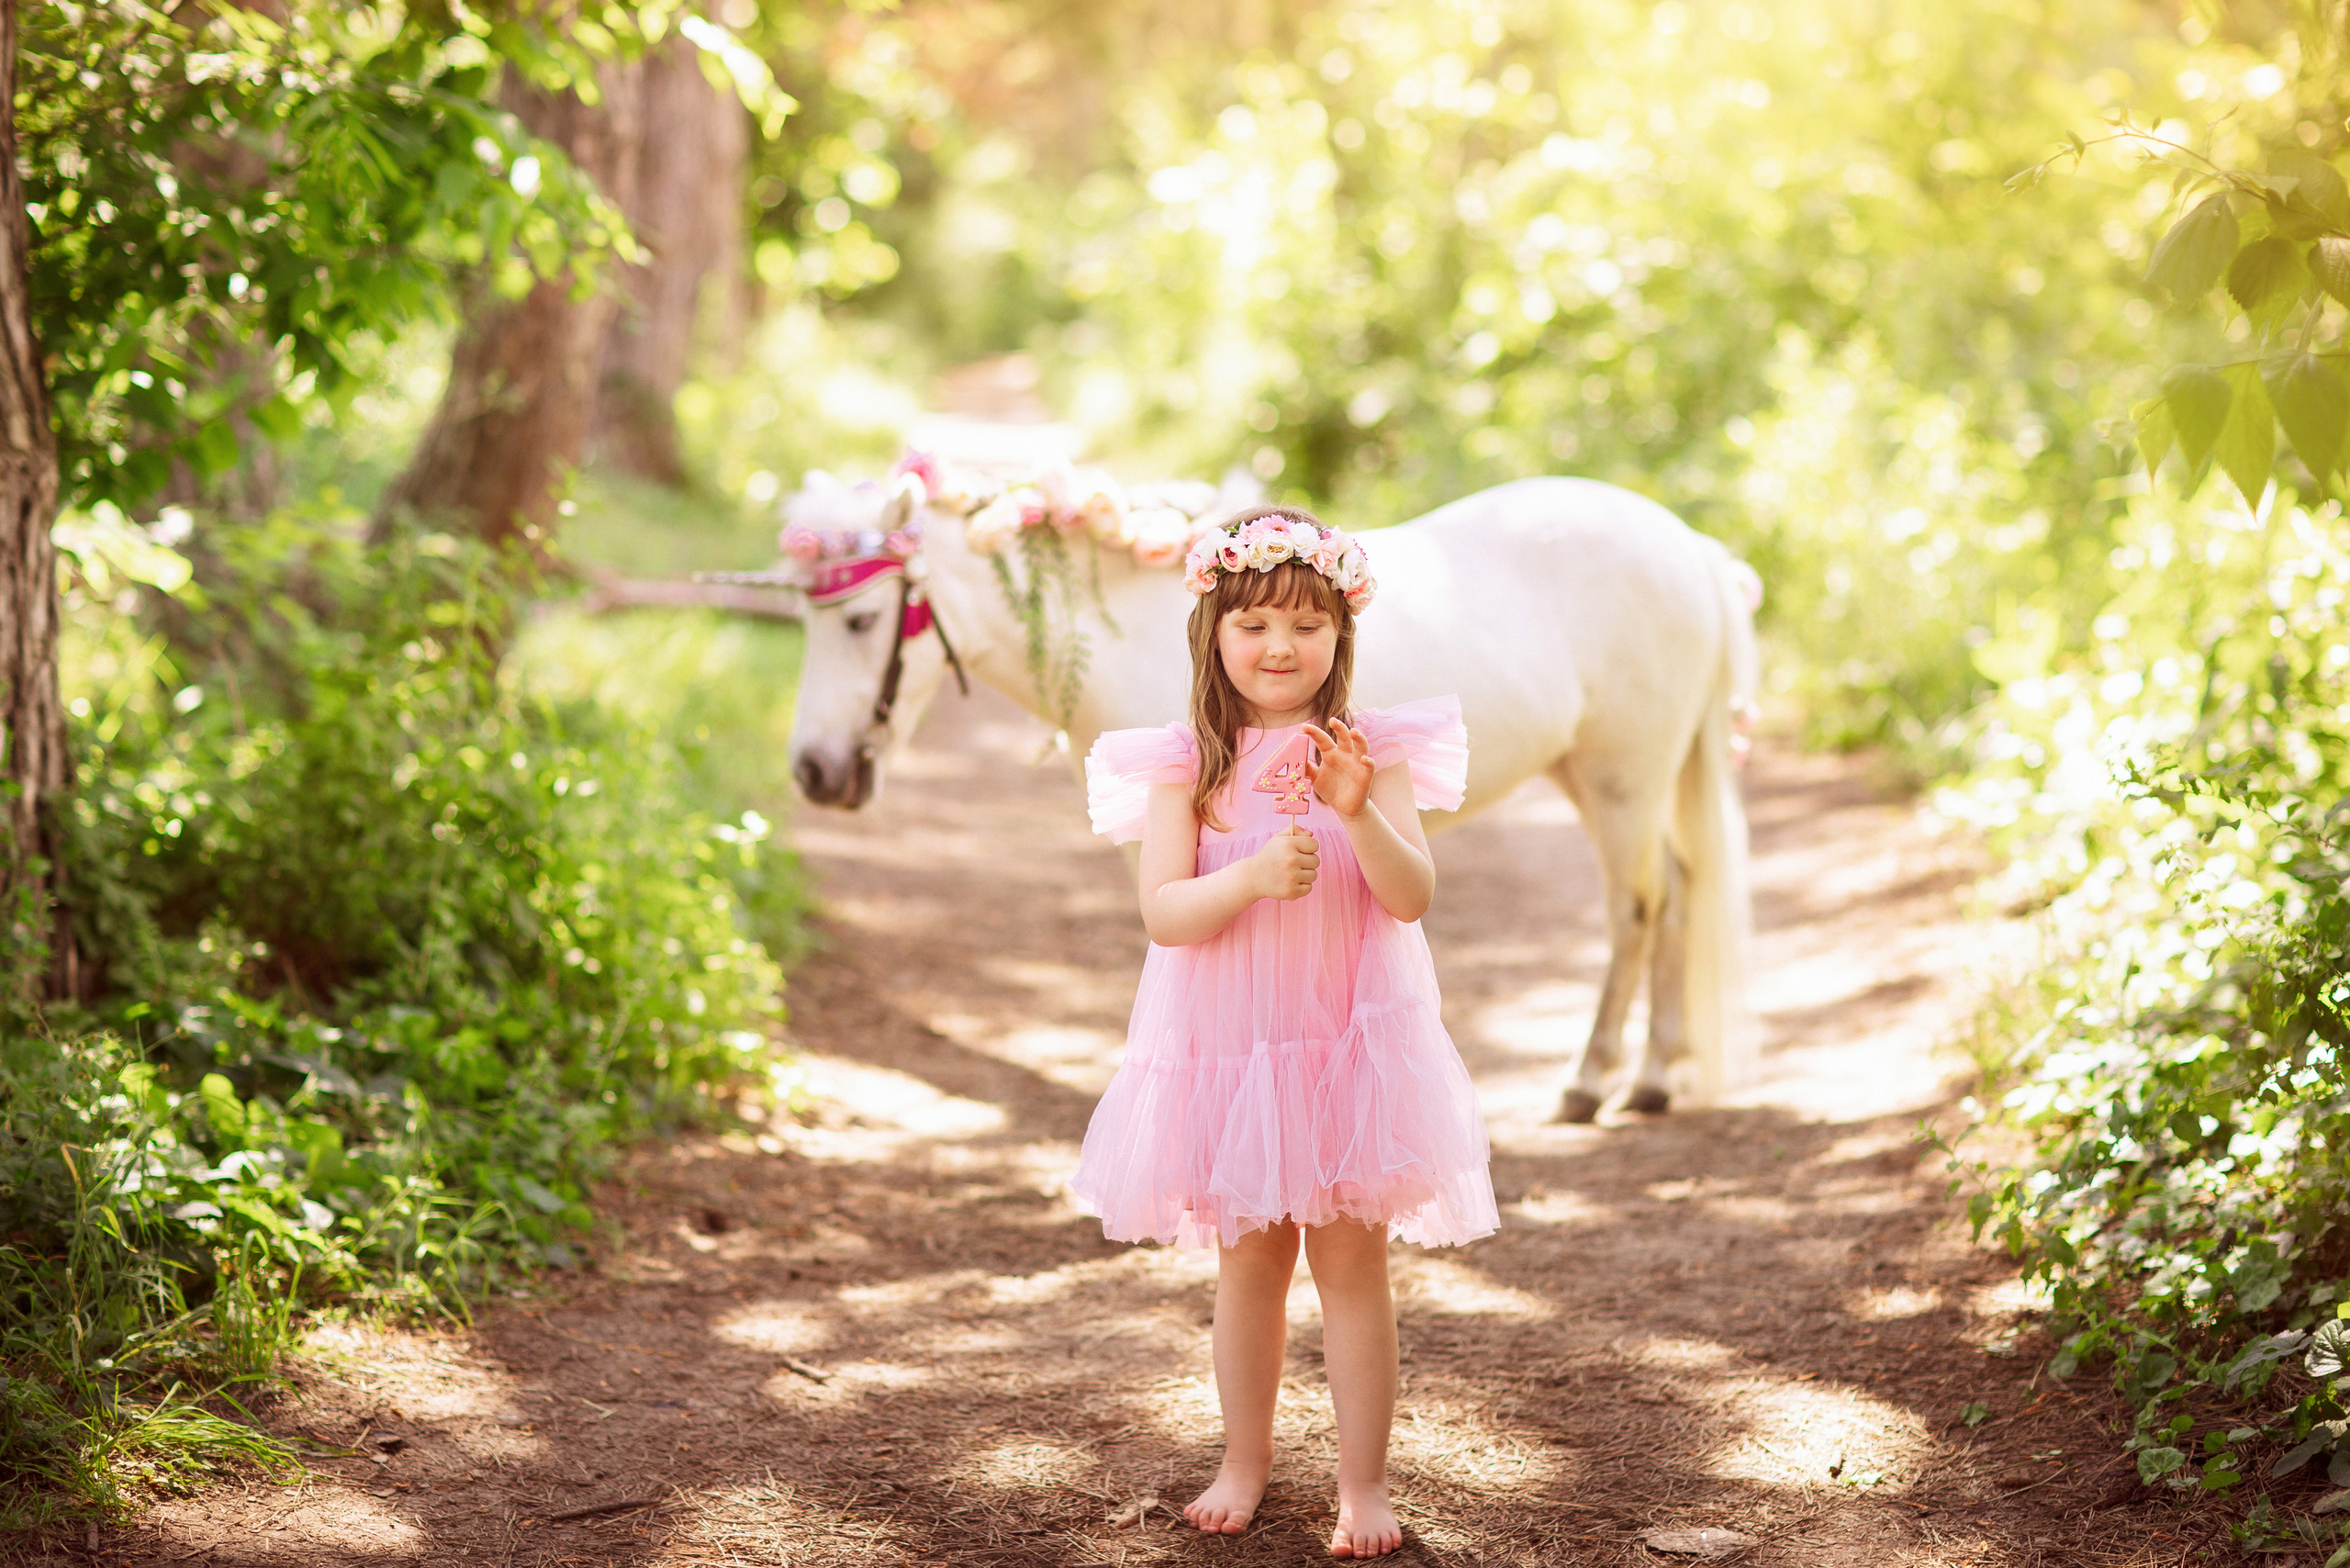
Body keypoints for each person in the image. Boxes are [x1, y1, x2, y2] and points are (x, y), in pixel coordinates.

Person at [1075, 504, 1498, 1560]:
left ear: (1339, 634)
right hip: (1234, 1057)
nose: (1280, 646)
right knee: (1250, 1268)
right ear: (1213, 631)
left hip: (1347, 1048)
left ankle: (1362, 1481)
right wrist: (1252, 876)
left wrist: (1355, 810)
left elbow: (1410, 896)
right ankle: (1244, 1460)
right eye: (1255, 623)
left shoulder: (1368, 750)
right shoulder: (1186, 764)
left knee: (1353, 1267)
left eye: (1307, 624)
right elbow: (1164, 912)